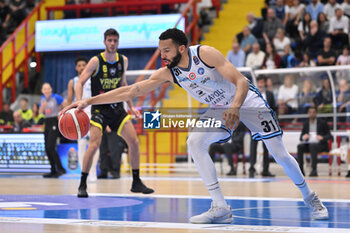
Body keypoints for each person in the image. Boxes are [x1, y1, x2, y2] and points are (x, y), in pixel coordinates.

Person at [63, 28, 329, 223]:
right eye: (160, 51)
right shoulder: (169, 72)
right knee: (195, 142)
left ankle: (310, 197)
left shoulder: (204, 53)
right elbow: (132, 90)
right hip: (218, 109)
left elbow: (241, 82)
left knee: (279, 154)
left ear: (180, 48)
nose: (161, 55)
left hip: (246, 102)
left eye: (165, 50)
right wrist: (89, 100)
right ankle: (220, 206)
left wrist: (235, 107)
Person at [68, 29, 153, 197]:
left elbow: (123, 85)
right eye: (109, 40)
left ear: (118, 42)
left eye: (115, 40)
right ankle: (82, 184)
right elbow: (80, 82)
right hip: (100, 109)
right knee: (93, 145)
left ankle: (136, 182)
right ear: (104, 42)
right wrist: (79, 100)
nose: (112, 43)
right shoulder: (95, 61)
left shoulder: (123, 60)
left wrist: (130, 106)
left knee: (134, 142)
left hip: (117, 108)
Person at [65, 56, 99, 183]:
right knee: (81, 145)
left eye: (83, 65)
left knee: (95, 145)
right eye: (79, 65)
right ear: (76, 68)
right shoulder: (72, 82)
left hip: (94, 114)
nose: (81, 67)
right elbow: (69, 100)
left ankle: (93, 172)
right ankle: (84, 171)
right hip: (79, 116)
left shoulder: (94, 79)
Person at [249, 76, 276, 178]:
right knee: (253, 146)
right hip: (254, 121)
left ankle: (265, 169)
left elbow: (273, 108)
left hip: (266, 122)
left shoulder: (269, 94)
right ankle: (251, 168)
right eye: (258, 82)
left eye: (262, 82)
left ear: (264, 83)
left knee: (267, 146)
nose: (260, 84)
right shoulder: (252, 93)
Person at [40, 83, 66, 178]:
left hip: (54, 121)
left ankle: (61, 169)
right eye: (44, 89)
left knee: (51, 147)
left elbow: (66, 102)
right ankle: (53, 170)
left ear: (51, 89)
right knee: (47, 148)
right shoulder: (42, 99)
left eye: (48, 88)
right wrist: (43, 106)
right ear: (42, 90)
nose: (46, 90)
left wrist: (62, 109)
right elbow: (40, 112)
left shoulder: (56, 97)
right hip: (47, 122)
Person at [297, 107, 332, 177]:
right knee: (300, 146)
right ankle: (300, 171)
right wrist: (304, 137)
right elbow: (301, 137)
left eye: (313, 112)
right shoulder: (306, 123)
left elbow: (329, 136)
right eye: (310, 112)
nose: (312, 114)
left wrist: (322, 137)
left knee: (313, 146)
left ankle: (314, 170)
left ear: (316, 113)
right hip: (309, 144)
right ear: (308, 113)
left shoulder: (322, 122)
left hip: (320, 145)